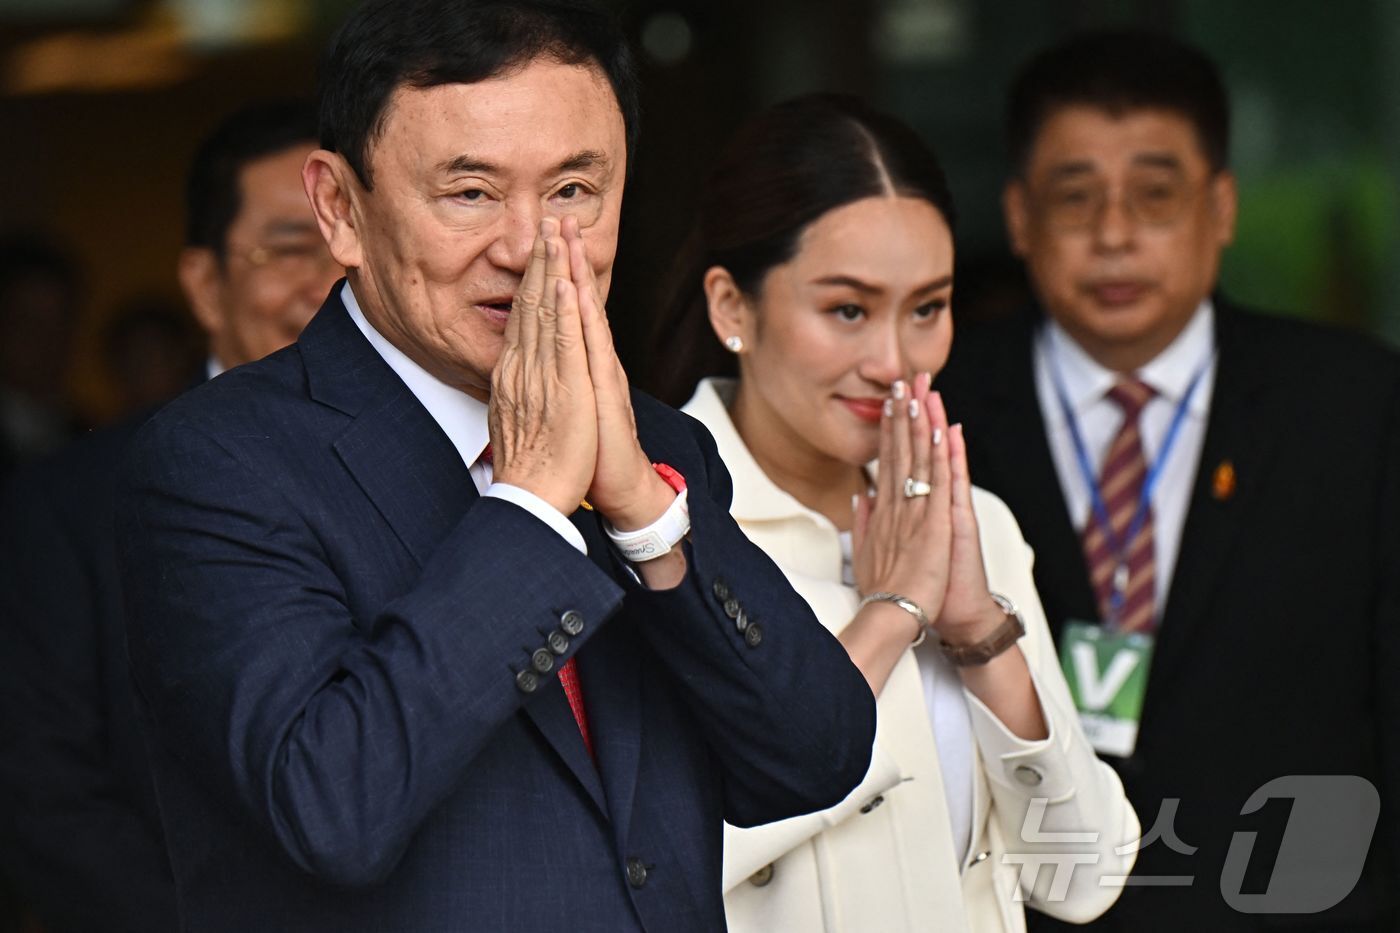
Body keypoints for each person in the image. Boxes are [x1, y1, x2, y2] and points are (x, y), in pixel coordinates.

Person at [112, 3, 876, 931]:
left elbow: (817, 755)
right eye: (470, 193)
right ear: (340, 210)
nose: (527, 248)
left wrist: (643, 512)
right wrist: (531, 507)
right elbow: (332, 808)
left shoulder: (658, 449)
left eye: (573, 192)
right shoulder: (217, 461)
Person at [937, 30, 1400, 931]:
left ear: (1221, 208)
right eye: (1077, 198)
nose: (1115, 234)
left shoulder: (1362, 407)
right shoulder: (937, 410)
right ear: (1020, 217)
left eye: (1155, 196)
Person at [654, 93, 1138, 933]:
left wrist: (979, 630)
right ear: (733, 306)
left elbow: (1084, 874)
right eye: (847, 309)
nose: (894, 360)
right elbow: (651, 864)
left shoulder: (973, 525)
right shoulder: (652, 525)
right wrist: (886, 619)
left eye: (926, 309)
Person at [0, 99, 336, 933]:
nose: (329, 281)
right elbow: (44, 795)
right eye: (290, 245)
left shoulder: (465, 469)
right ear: (204, 282)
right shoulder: (69, 504)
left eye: (351, 242)